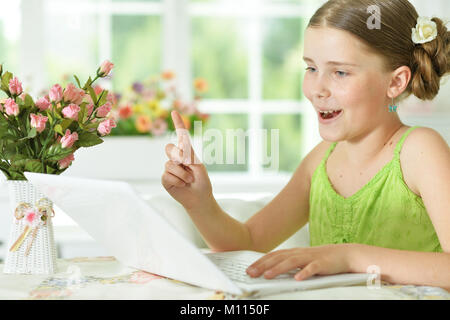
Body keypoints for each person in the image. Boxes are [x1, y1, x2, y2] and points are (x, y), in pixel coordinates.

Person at [161, 0, 450, 290]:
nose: (316, 89)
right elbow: (247, 243)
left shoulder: (420, 151)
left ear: (396, 82)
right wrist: (199, 202)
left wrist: (350, 256)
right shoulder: (320, 161)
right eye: (311, 68)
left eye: (340, 72)